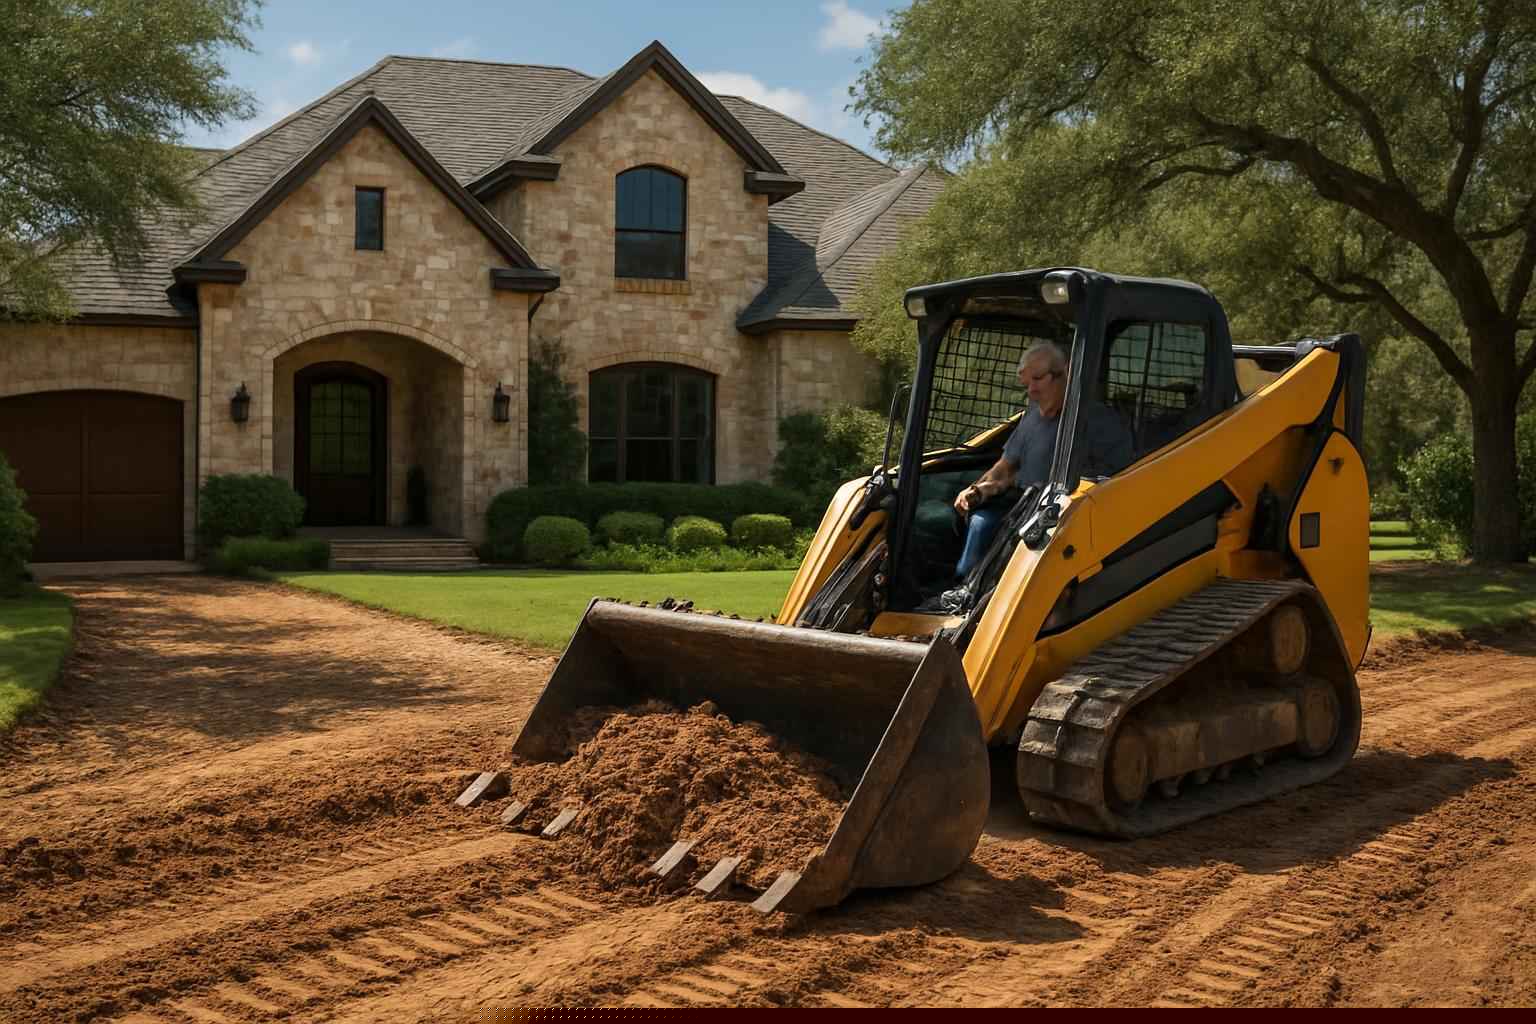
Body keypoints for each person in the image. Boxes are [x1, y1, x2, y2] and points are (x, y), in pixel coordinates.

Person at [947, 340, 1133, 588]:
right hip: (1020, 506)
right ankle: (963, 589)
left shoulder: (1099, 423)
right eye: (1026, 384)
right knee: (980, 522)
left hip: (1063, 520)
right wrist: (977, 489)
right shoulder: (1032, 417)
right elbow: (1006, 466)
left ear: (1065, 373)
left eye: (1038, 379)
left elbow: (1115, 481)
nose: (1031, 391)